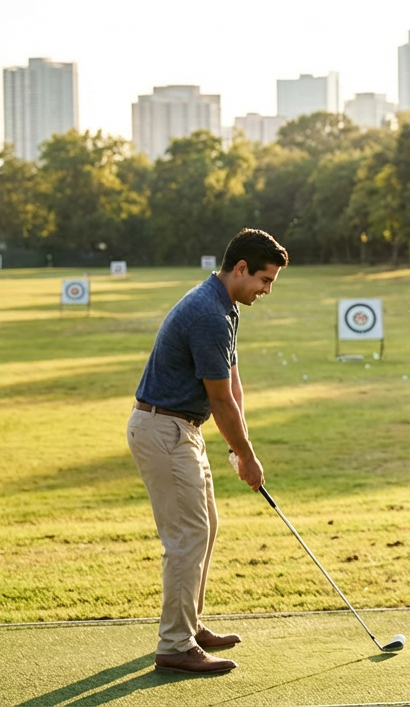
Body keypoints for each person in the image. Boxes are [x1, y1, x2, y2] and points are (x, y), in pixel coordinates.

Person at [127, 228, 286, 674]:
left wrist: (241, 448)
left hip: (182, 428)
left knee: (206, 527)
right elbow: (218, 400)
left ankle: (190, 626)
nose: (266, 290)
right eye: (265, 280)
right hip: (163, 429)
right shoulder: (208, 315)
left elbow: (231, 385)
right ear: (240, 269)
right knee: (186, 538)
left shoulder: (226, 306)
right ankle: (175, 644)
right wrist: (249, 456)